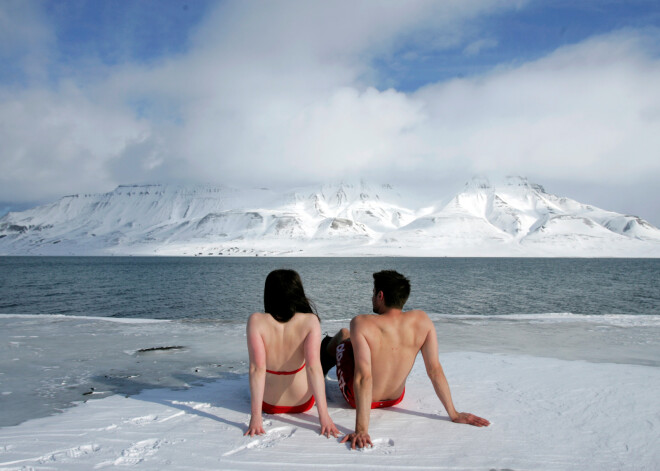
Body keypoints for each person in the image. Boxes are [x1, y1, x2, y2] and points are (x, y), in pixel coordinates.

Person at [321, 270, 490, 449]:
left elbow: (364, 376)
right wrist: (453, 413)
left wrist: (361, 430)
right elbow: (434, 369)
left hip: (356, 399)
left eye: (373, 293)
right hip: (395, 398)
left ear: (380, 295)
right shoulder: (422, 321)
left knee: (344, 336)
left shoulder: (361, 322)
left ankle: (322, 356)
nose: (372, 298)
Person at [245, 269, 339, 438]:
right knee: (316, 362)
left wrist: (256, 417)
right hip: (302, 401)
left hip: (269, 403)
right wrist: (324, 417)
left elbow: (256, 369)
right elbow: (313, 368)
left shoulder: (256, 321)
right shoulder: (310, 320)